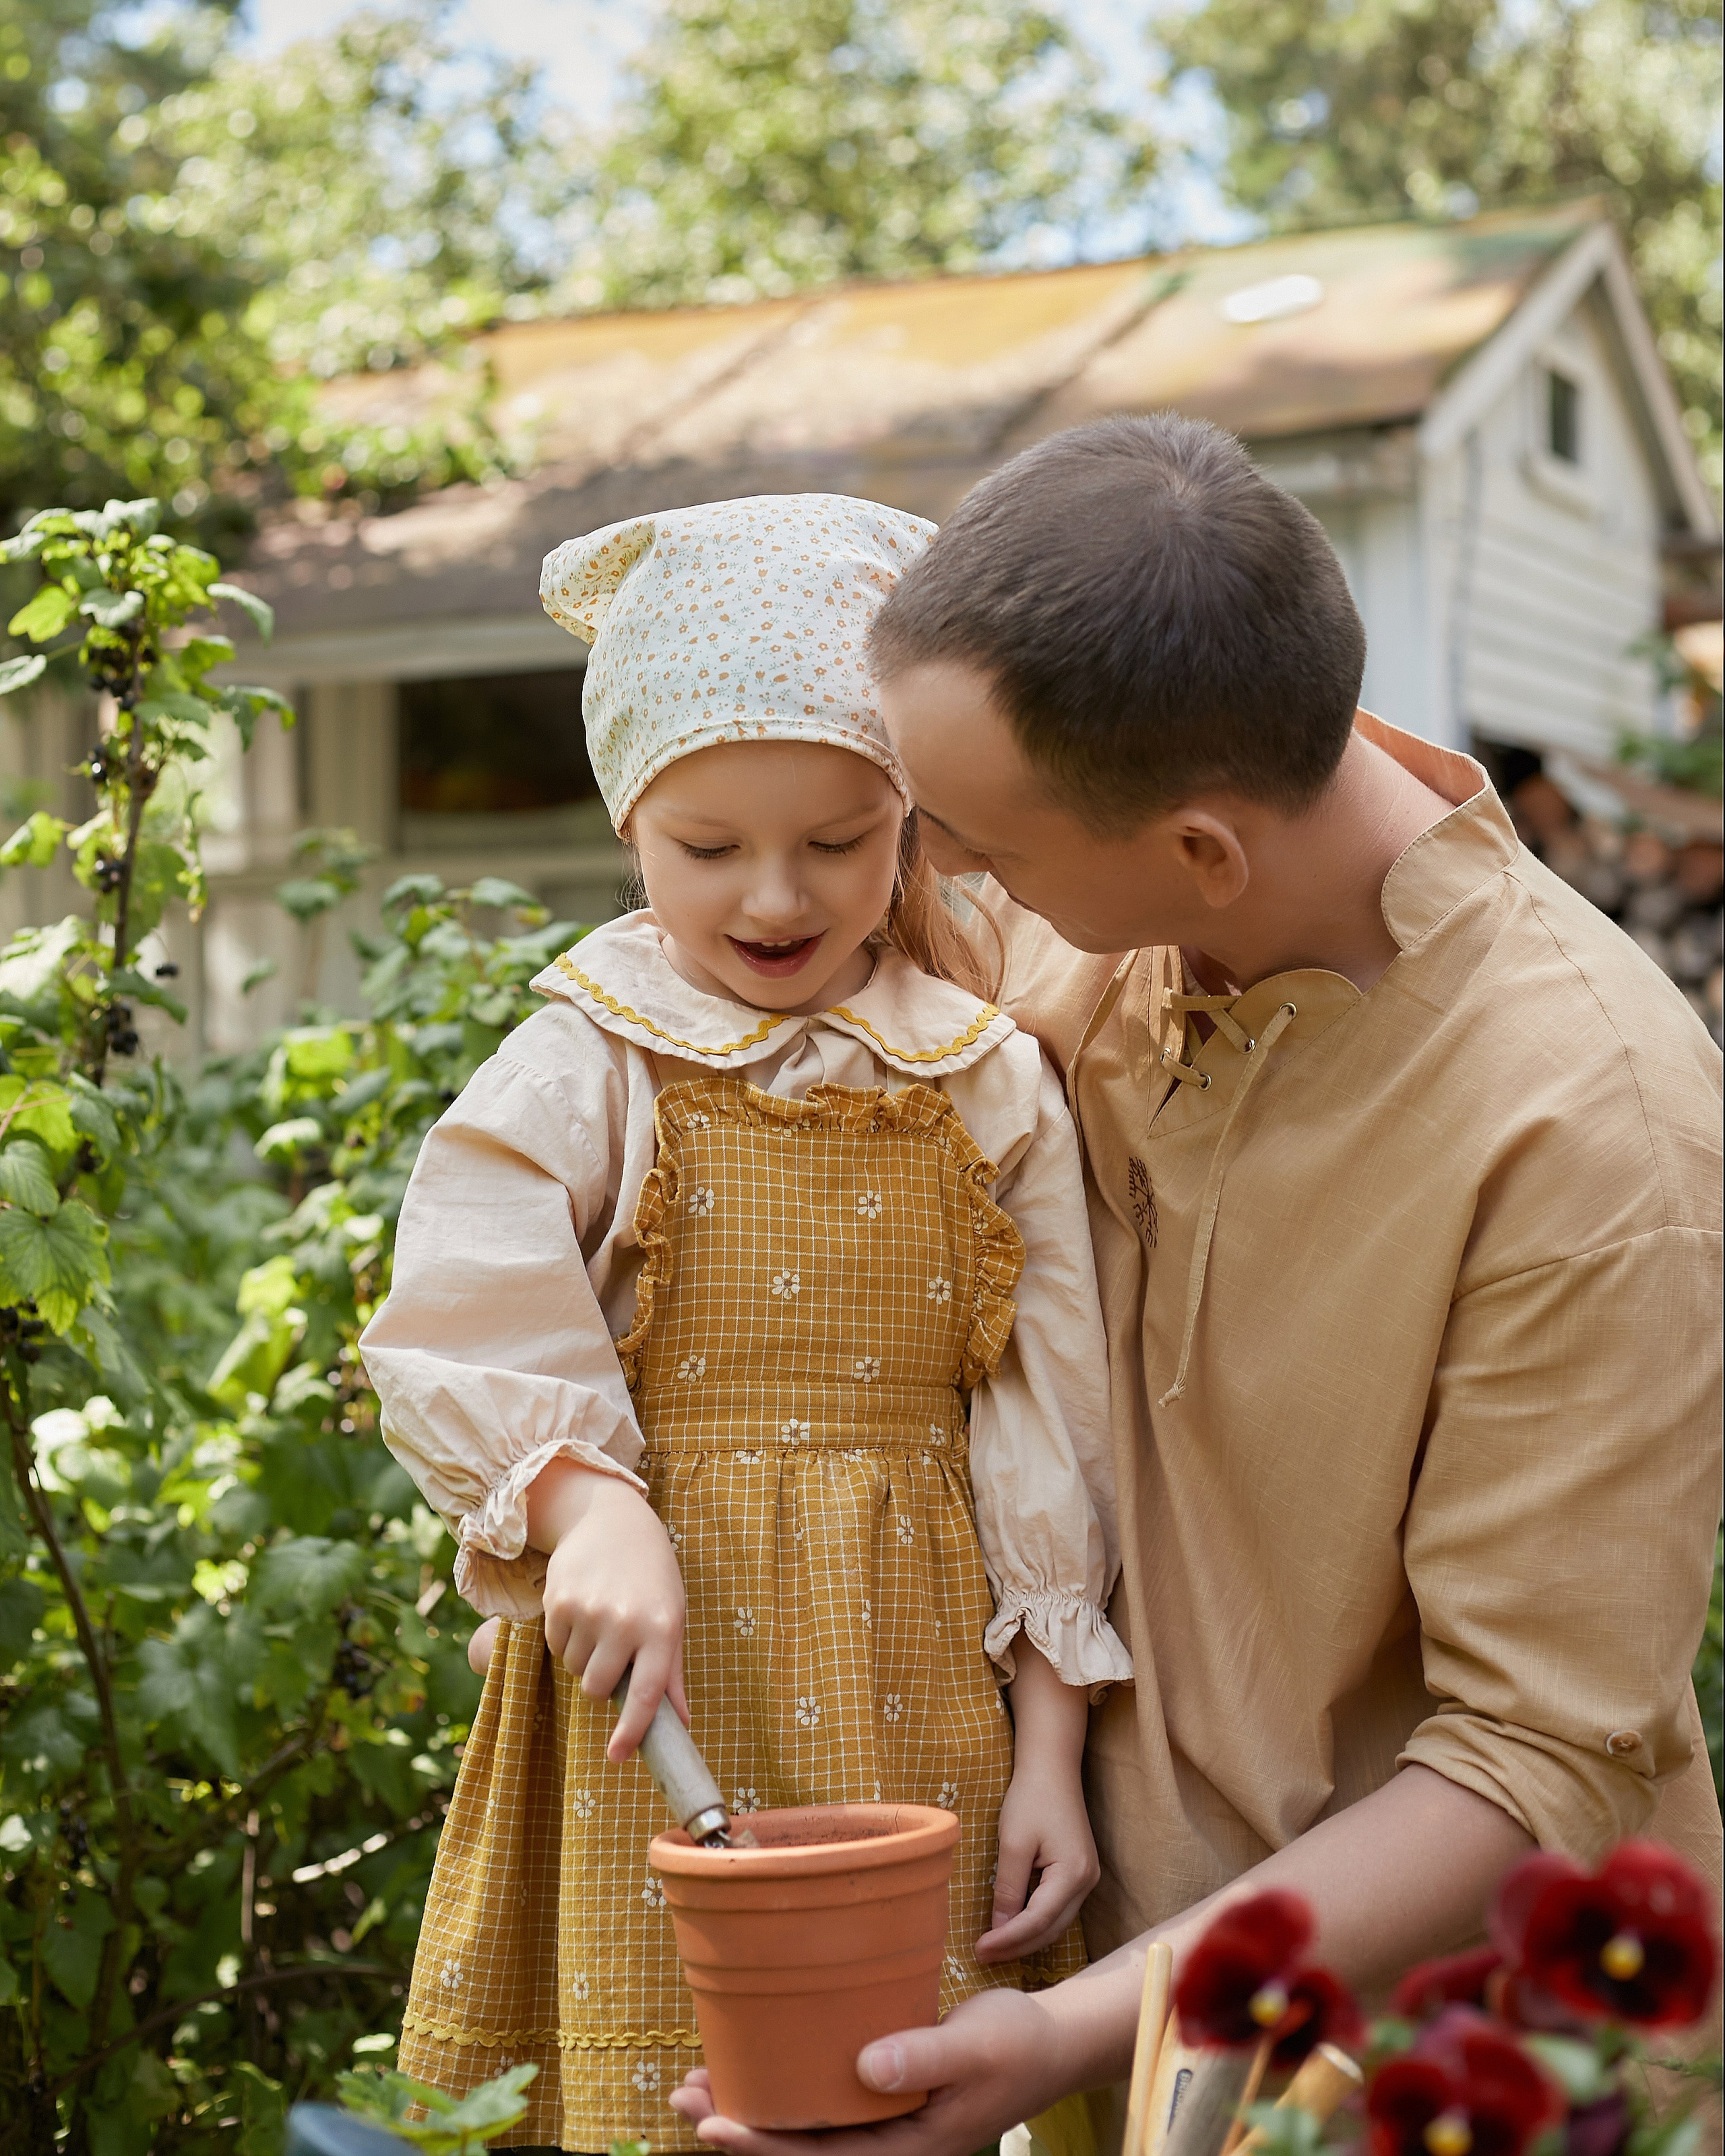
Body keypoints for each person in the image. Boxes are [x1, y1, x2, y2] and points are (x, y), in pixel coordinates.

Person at [671, 415, 1724, 2155]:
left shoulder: (1596, 1135)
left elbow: (1525, 1768)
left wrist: (1060, 2036)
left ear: (1200, 856)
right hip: (1118, 2049)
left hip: (1439, 2088)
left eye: (978, 851)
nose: (940, 889)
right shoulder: (1116, 937)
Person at [358, 494, 1133, 2153]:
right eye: (708, 846)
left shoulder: (981, 1076)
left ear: (910, 820)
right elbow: (460, 1301)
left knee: (907, 2084)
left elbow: (1049, 1417)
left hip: (919, 1676)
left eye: (841, 838)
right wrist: (589, 1504)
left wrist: (1054, 1748)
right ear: (630, 823)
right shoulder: (591, 1056)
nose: (774, 896)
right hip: (661, 1696)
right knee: (657, 2090)